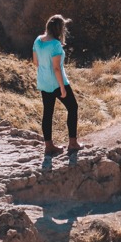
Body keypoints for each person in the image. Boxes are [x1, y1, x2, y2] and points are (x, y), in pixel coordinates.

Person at [33, 14, 78, 154]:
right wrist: (62, 88)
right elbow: (57, 68)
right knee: (73, 107)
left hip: (43, 82)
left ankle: (49, 146)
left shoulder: (38, 40)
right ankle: (73, 143)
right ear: (59, 29)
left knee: (48, 113)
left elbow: (35, 62)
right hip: (57, 83)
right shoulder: (55, 45)